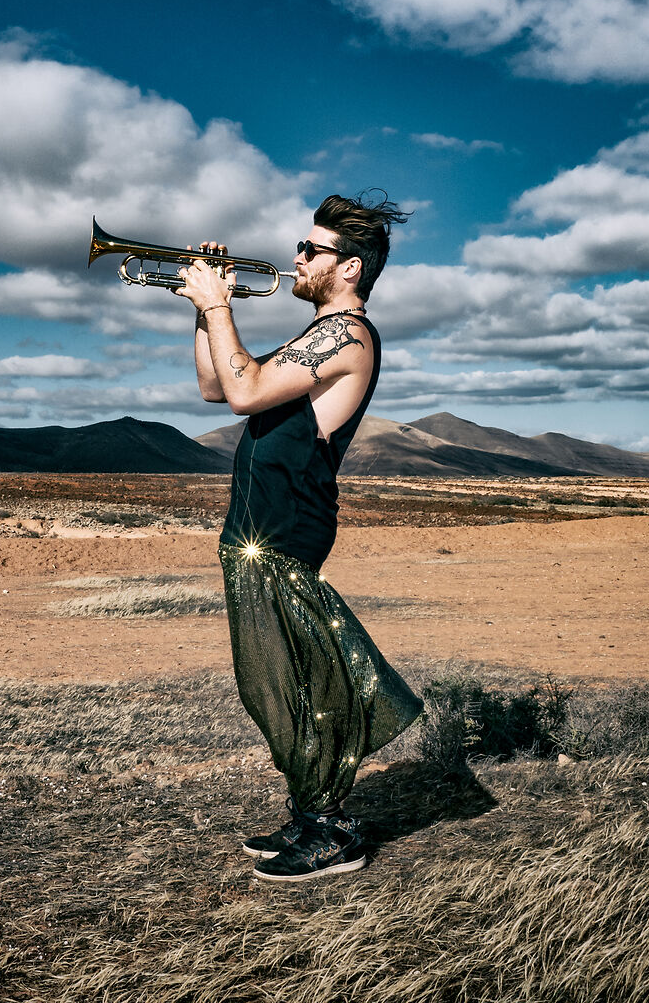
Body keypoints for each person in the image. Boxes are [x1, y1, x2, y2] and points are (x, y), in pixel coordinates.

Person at [175, 191, 423, 883]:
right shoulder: (313, 336)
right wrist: (204, 310)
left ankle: (333, 830)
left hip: (286, 528)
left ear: (349, 268)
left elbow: (248, 391)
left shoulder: (348, 336)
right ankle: (311, 811)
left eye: (310, 251)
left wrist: (222, 307)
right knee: (277, 678)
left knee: (295, 676)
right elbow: (214, 387)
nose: (295, 260)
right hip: (259, 527)